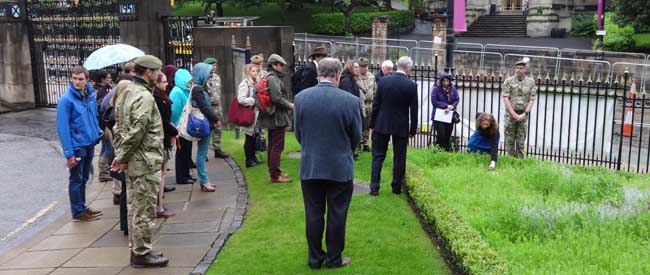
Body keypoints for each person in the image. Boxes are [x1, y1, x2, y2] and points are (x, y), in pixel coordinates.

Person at [294, 57, 361, 269]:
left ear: (318, 74)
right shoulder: (350, 101)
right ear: (338, 75)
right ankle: (333, 259)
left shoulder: (301, 98)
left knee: (313, 214)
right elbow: (356, 137)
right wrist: (342, 150)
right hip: (339, 167)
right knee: (337, 214)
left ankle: (315, 259)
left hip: (311, 165)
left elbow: (298, 134)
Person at [112, 55, 169, 267]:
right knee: (144, 209)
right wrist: (122, 157)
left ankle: (137, 249)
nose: (159, 75)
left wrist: (122, 155)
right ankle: (142, 253)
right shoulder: (144, 97)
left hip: (135, 161)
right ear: (149, 72)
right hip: (145, 162)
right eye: (157, 72)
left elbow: (117, 126)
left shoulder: (126, 91)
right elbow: (138, 129)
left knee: (135, 207)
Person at [56, 66, 103, 221]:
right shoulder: (66, 100)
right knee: (76, 179)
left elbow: (93, 117)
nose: (77, 82)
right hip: (77, 147)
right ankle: (77, 211)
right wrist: (69, 153)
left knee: (84, 178)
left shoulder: (89, 96)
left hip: (89, 143)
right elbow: (63, 128)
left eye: (80, 79)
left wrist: (97, 132)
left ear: (87, 80)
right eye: (74, 78)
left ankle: (82, 206)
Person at [369, 56, 418, 196]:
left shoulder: (383, 81)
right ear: (408, 68)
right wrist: (413, 129)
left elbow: (376, 104)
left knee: (378, 156)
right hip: (400, 125)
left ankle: (374, 187)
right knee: (399, 157)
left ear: (397, 66)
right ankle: (396, 188)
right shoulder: (411, 85)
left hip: (382, 122)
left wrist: (372, 124)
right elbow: (414, 110)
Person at [257, 54, 294, 183]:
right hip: (277, 118)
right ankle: (275, 175)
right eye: (280, 65)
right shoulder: (273, 79)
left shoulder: (269, 77)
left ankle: (275, 173)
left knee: (273, 145)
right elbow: (276, 99)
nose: (282, 67)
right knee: (277, 146)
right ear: (274, 65)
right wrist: (290, 105)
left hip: (273, 117)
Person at [190, 62, 221, 192]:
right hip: (203, 124)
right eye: (207, 73)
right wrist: (216, 118)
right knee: (202, 154)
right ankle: (204, 180)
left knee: (202, 153)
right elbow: (204, 107)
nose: (209, 76)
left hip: (205, 123)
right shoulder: (197, 89)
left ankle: (205, 180)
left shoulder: (199, 87)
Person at [153, 72, 178, 218]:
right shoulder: (157, 99)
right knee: (160, 174)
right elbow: (162, 121)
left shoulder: (162, 97)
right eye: (163, 82)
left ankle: (160, 204)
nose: (166, 84)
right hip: (162, 140)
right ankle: (159, 207)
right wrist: (174, 130)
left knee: (162, 173)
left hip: (166, 138)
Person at [502, 59, 536, 158]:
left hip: (523, 114)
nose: (518, 70)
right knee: (509, 138)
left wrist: (525, 113)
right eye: (517, 68)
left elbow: (532, 99)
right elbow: (505, 97)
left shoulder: (531, 82)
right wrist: (513, 113)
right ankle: (510, 159)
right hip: (510, 114)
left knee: (521, 139)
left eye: (521, 68)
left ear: (525, 69)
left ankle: (520, 161)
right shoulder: (508, 81)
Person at [169, 69, 197, 185]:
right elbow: (174, 112)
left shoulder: (185, 91)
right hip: (180, 127)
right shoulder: (177, 92)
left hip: (185, 126)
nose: (190, 83)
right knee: (181, 153)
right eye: (188, 81)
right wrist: (176, 127)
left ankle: (186, 174)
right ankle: (181, 177)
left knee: (187, 151)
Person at [203, 57, 229, 159]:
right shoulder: (203, 78)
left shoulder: (217, 77)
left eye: (215, 65)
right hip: (208, 108)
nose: (214, 67)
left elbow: (218, 93)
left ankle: (217, 149)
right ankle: (204, 152)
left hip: (217, 107)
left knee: (218, 129)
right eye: (212, 65)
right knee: (206, 129)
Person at [237, 64, 262, 168]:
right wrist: (253, 101)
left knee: (255, 136)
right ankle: (249, 160)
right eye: (253, 71)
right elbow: (241, 99)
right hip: (249, 114)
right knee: (249, 137)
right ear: (248, 72)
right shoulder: (244, 84)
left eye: (256, 71)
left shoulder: (256, 83)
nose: (255, 73)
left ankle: (253, 157)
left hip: (256, 113)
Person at [94, 70, 114, 183]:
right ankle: (103, 172)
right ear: (102, 79)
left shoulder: (97, 90)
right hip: (104, 124)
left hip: (100, 123)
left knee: (105, 147)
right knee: (108, 148)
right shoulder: (101, 92)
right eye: (108, 78)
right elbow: (106, 107)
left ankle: (103, 171)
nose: (110, 80)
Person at [431, 72, 459, 152]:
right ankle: (437, 151)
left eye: (447, 81)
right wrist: (446, 106)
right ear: (441, 81)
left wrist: (452, 106)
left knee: (448, 135)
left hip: (449, 115)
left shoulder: (453, 89)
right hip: (439, 116)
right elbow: (434, 101)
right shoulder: (436, 89)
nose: (446, 83)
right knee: (441, 135)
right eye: (444, 81)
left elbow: (457, 99)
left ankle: (447, 151)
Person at [356, 57, 376, 153]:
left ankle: (365, 142)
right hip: (360, 104)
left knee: (367, 124)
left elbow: (375, 90)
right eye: (362, 66)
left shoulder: (372, 76)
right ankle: (358, 143)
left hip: (369, 104)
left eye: (366, 66)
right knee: (359, 123)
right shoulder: (355, 77)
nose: (364, 68)